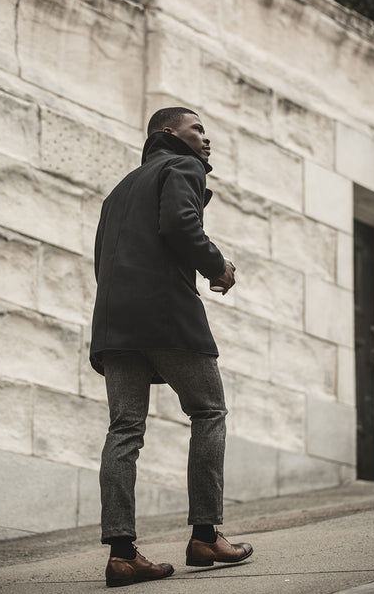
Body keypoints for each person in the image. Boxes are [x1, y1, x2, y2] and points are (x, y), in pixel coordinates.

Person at [90, 107, 253, 587]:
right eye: (198, 128)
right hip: (166, 314)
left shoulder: (119, 190)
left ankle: (122, 554)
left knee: (124, 429)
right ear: (168, 133)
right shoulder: (182, 167)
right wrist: (217, 266)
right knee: (209, 412)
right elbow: (181, 224)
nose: (207, 139)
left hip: (114, 324)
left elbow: (104, 258)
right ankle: (205, 535)